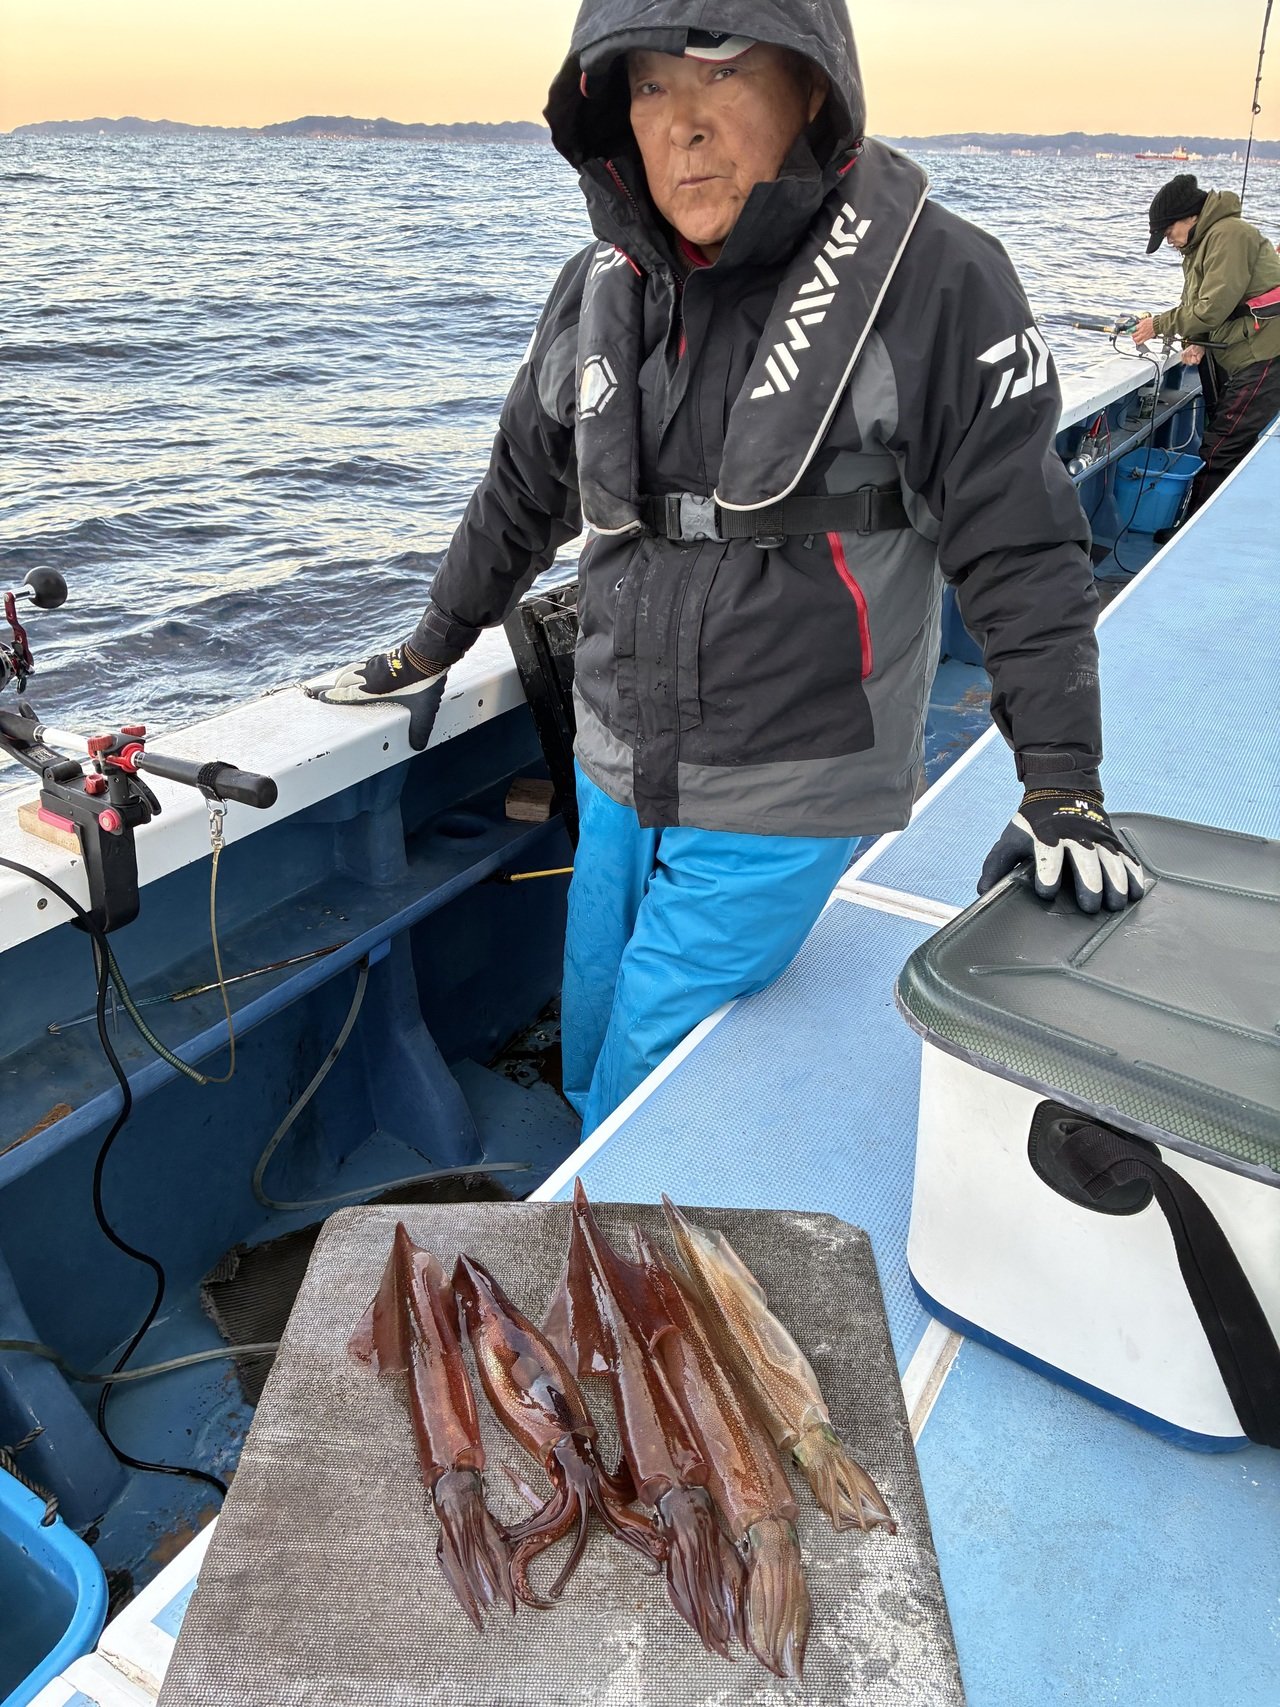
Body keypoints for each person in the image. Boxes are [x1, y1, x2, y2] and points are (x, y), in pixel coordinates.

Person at [312, 1, 1144, 1136]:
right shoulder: (595, 289)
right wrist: (429, 644)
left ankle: (616, 1211)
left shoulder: (936, 279)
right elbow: (519, 492)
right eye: (649, 86)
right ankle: (595, 1190)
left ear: (812, 87)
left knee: (653, 1071)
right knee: (592, 1027)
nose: (682, 125)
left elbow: (1022, 545)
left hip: (787, 776)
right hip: (614, 762)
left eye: (722, 74)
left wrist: (1062, 784)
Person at [1133, 173, 1280, 524]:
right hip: (1241, 347)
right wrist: (1196, 340)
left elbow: (1212, 307)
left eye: (1169, 232)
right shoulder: (1201, 243)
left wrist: (1159, 324)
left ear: (1189, 216)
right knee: (1223, 436)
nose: (1168, 241)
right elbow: (1205, 301)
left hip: (1265, 352)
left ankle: (1196, 528)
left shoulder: (1229, 235)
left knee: (1220, 448)